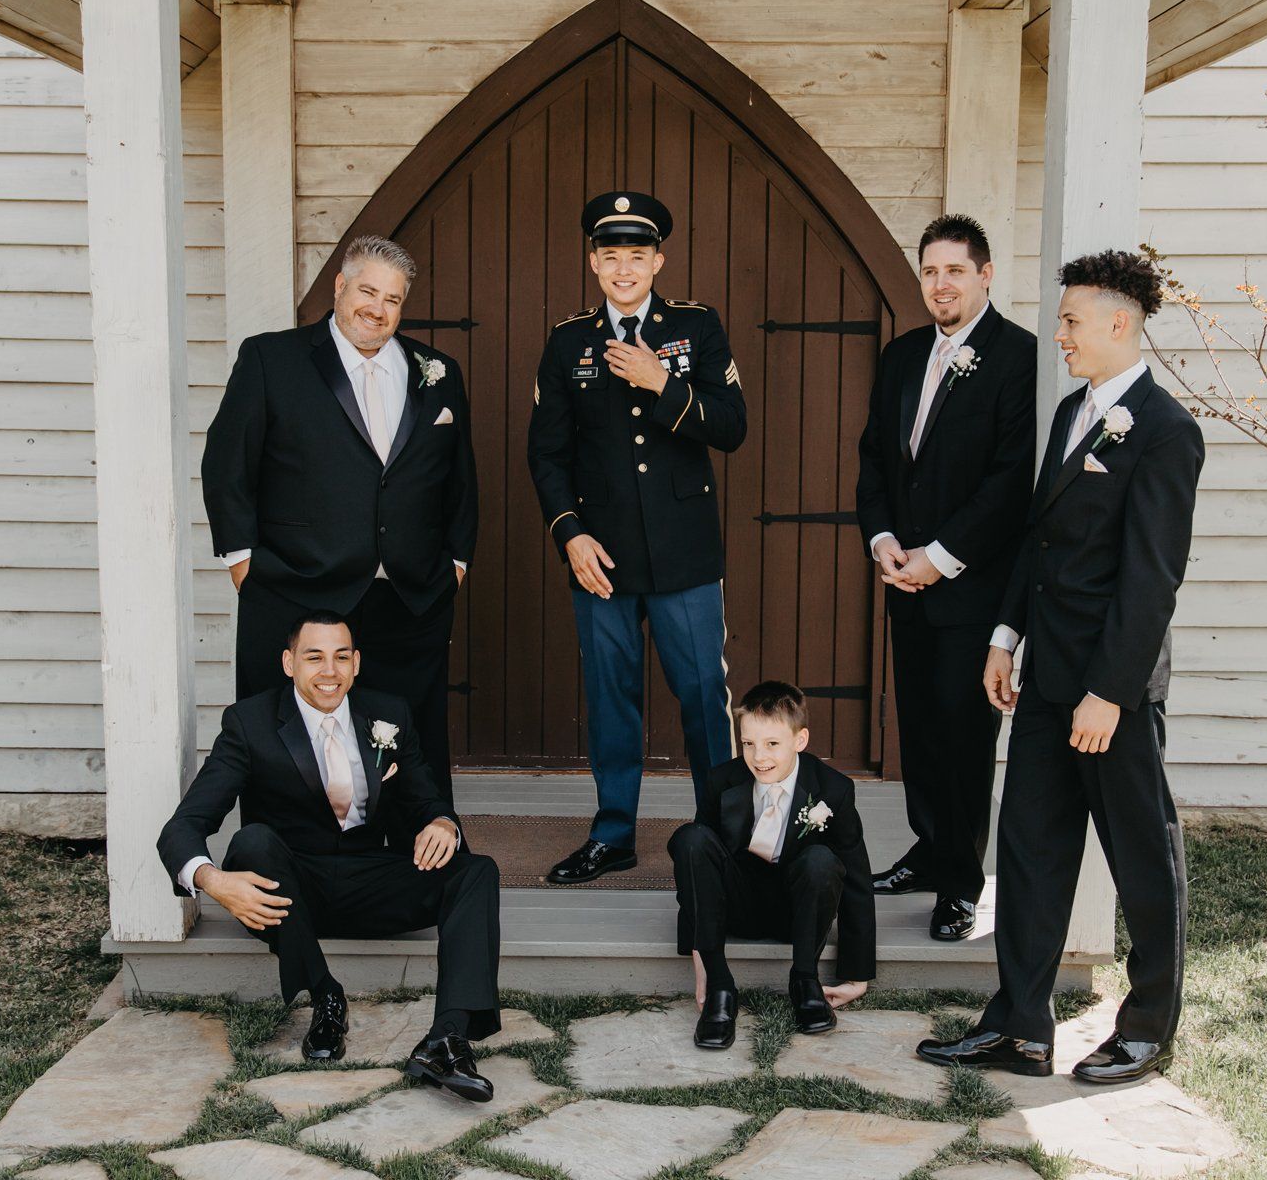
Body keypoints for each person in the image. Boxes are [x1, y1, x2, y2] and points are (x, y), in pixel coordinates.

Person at [916, 250, 1203, 1084]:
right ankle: (1020, 1025)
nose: (1060, 334)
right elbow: (1037, 544)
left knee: (1142, 856)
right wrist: (1006, 636)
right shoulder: (1074, 412)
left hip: (1109, 692)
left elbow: (1153, 582)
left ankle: (1148, 1027)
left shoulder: (1165, 431)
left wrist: (1109, 694)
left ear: (1120, 323)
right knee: (1032, 849)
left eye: (1072, 320)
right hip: (1044, 683)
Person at [156, 610, 503, 1102]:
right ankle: (325, 996)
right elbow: (183, 825)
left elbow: (428, 798)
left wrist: (442, 822)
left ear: (357, 663)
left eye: (341, 657)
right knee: (253, 841)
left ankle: (447, 1040)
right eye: (314, 657)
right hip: (291, 891)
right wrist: (213, 881)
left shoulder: (389, 716)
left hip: (371, 877)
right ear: (288, 663)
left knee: (477, 871)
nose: (329, 671)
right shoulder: (249, 723)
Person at [202, 235, 477, 797]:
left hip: (410, 594)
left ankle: (419, 862)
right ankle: (281, 867)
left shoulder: (439, 371)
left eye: (393, 299)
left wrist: (454, 563)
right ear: (340, 287)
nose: (377, 308)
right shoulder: (271, 358)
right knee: (286, 748)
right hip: (294, 587)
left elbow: (461, 479)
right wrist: (242, 561)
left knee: (411, 745)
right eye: (368, 291)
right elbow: (227, 462)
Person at [527, 191, 747, 884]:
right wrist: (570, 535)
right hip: (604, 556)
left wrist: (661, 383)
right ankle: (614, 833)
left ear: (660, 260)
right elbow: (547, 453)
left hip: (684, 553)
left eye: (638, 254)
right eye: (611, 254)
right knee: (611, 697)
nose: (625, 267)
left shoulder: (696, 327)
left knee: (704, 700)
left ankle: (720, 831)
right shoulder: (569, 342)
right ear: (593, 261)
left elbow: (732, 425)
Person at [854, 213, 1037, 941]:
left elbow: (1009, 480)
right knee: (920, 732)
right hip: (905, 582)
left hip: (972, 589)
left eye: (954, 270)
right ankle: (930, 851)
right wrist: (885, 540)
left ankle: (962, 883)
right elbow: (874, 457)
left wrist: (942, 556)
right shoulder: (902, 356)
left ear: (985, 275)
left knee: (964, 740)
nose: (940, 284)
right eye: (931, 271)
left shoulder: (1019, 358)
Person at [667, 681, 874, 1049]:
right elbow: (697, 873)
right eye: (749, 743)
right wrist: (700, 957)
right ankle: (720, 988)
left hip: (797, 913)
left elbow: (856, 878)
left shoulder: (833, 789)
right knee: (692, 838)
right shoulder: (721, 780)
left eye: (772, 744)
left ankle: (804, 980)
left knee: (822, 860)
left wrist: (856, 975)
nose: (758, 757)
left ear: (800, 739)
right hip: (736, 905)